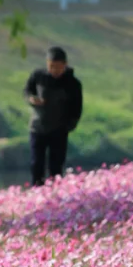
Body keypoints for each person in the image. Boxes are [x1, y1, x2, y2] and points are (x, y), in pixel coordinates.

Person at [24, 46, 83, 185]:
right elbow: (27, 91)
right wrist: (31, 99)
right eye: (51, 66)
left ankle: (55, 199)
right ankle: (37, 196)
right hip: (37, 128)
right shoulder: (38, 76)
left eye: (58, 67)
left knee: (56, 167)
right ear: (47, 63)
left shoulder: (73, 84)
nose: (55, 70)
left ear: (65, 64)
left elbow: (77, 108)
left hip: (59, 130)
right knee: (36, 164)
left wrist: (69, 126)